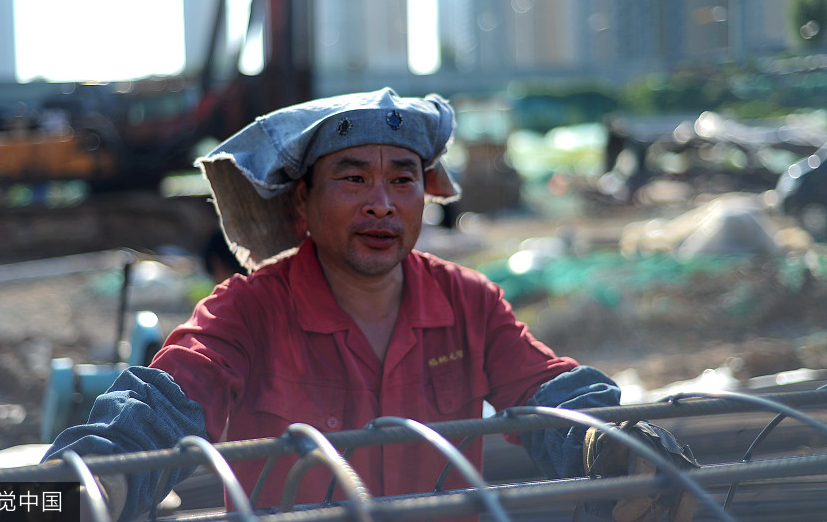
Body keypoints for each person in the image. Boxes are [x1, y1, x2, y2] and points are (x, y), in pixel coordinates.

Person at [44, 88, 695, 521]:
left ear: (425, 195)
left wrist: (609, 444)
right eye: (353, 178)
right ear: (301, 203)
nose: (382, 202)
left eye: (402, 179)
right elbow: (158, 407)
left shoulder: (467, 302)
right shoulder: (246, 312)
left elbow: (551, 393)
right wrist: (98, 481)